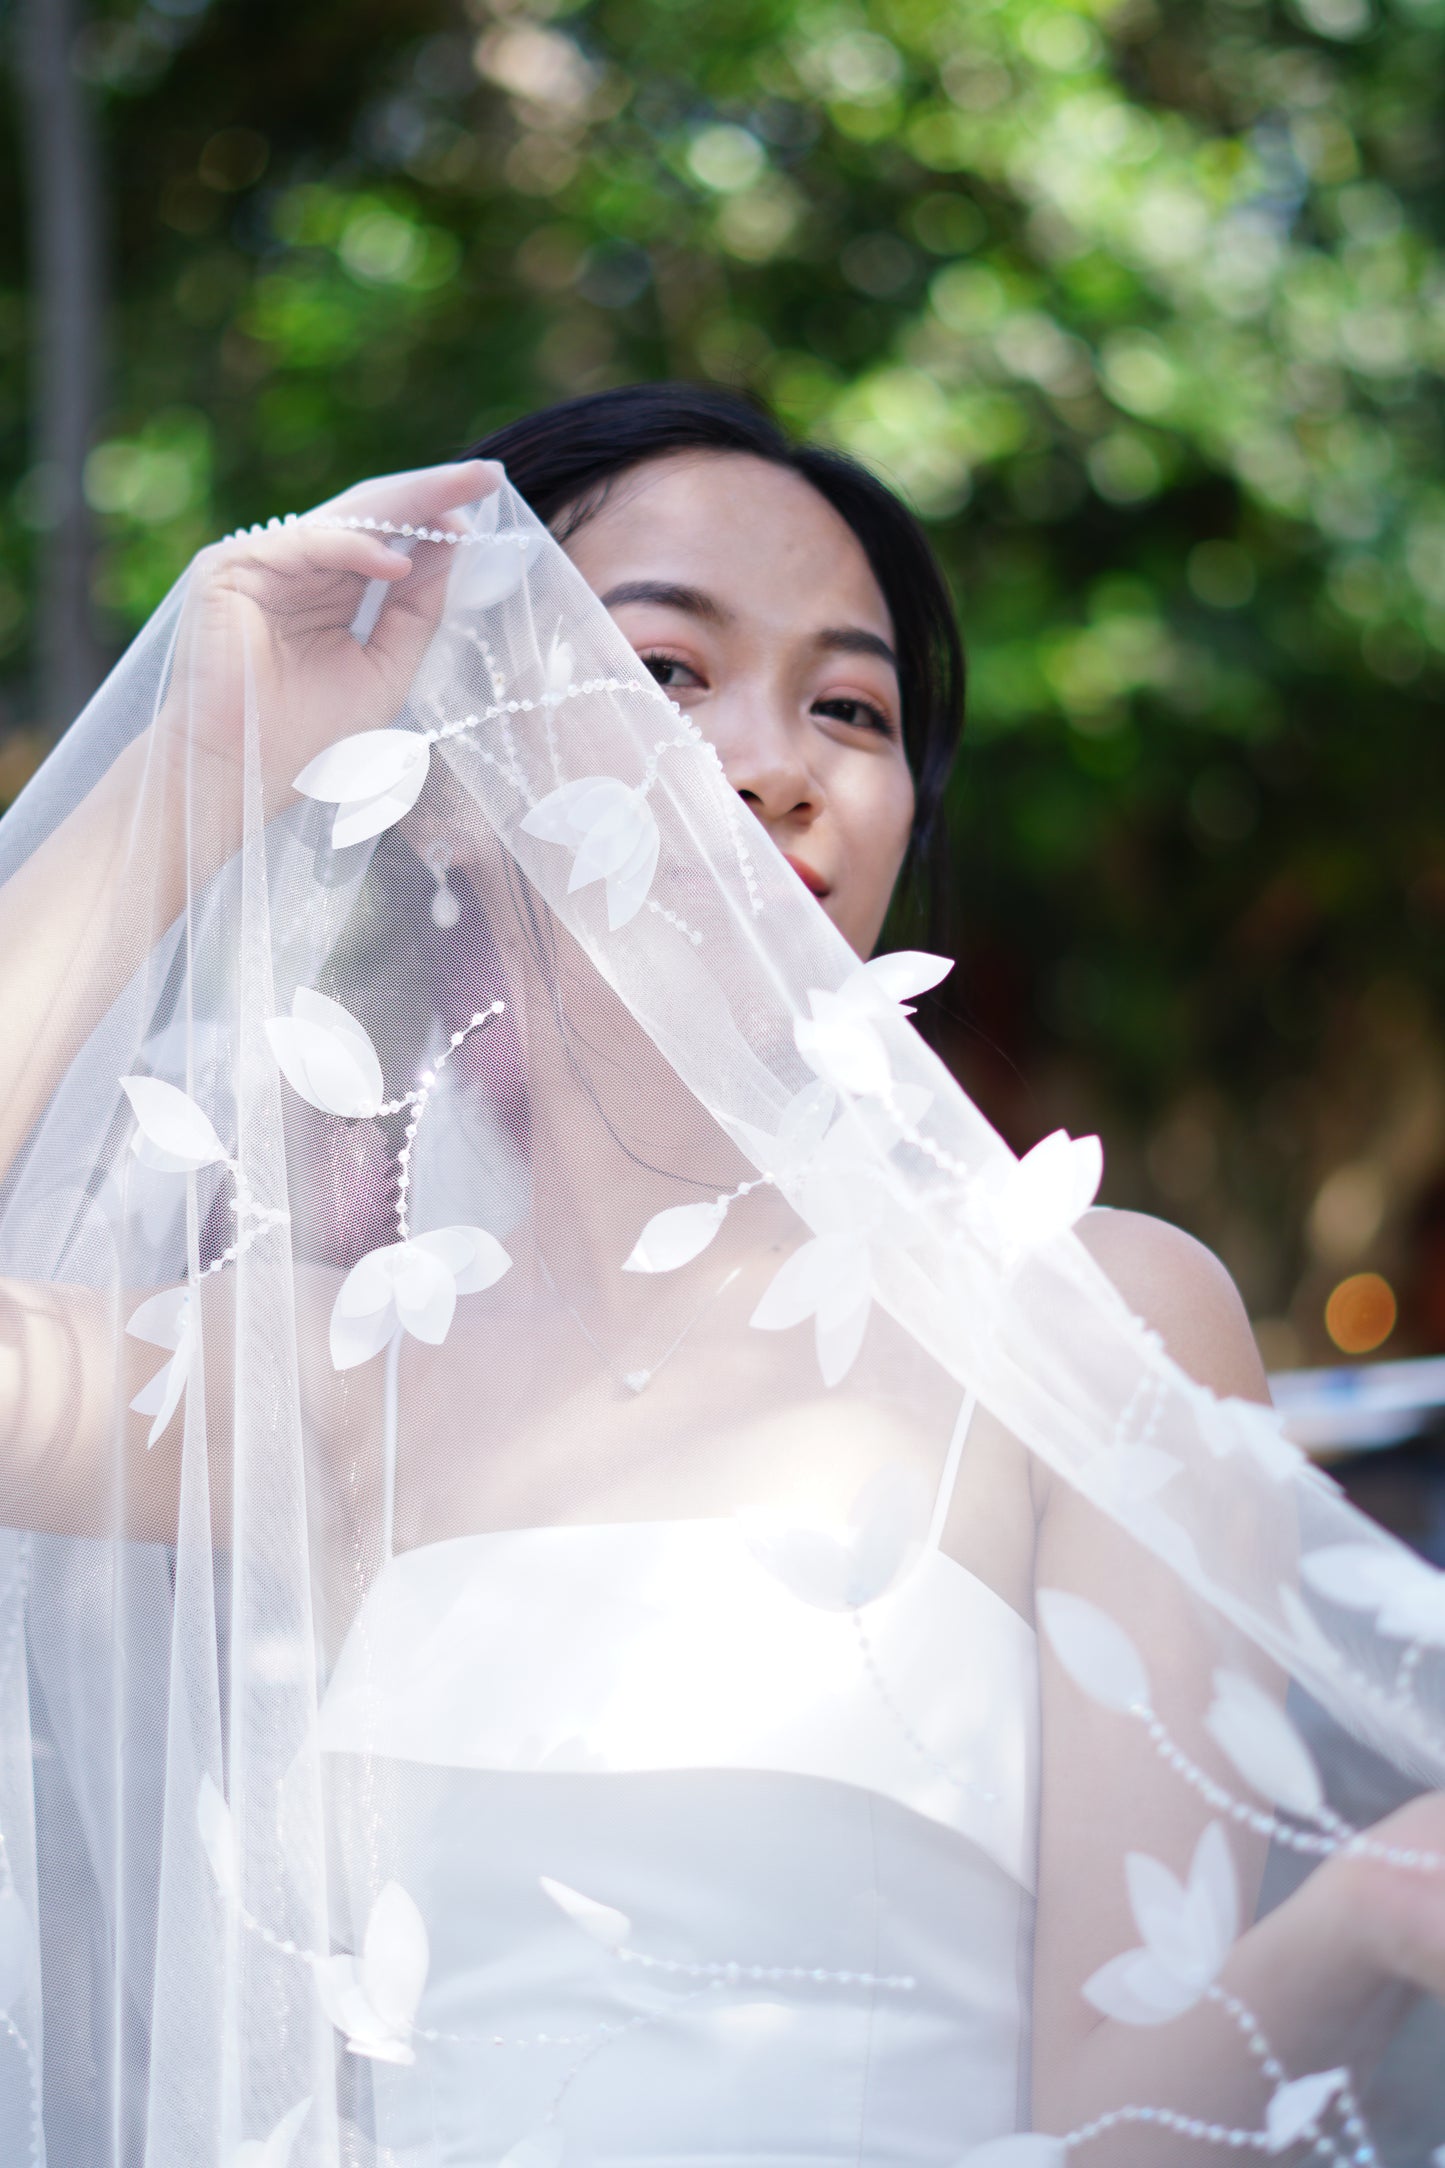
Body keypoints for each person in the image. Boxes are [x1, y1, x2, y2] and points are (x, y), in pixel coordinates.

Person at [0, 383, 1440, 2167]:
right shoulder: (343, 1371)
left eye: (850, 705)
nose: (779, 760)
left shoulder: (1094, 1318)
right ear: (445, 784)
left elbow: (1139, 2107)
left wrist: (1373, 1915)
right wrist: (202, 752)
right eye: (662, 673)